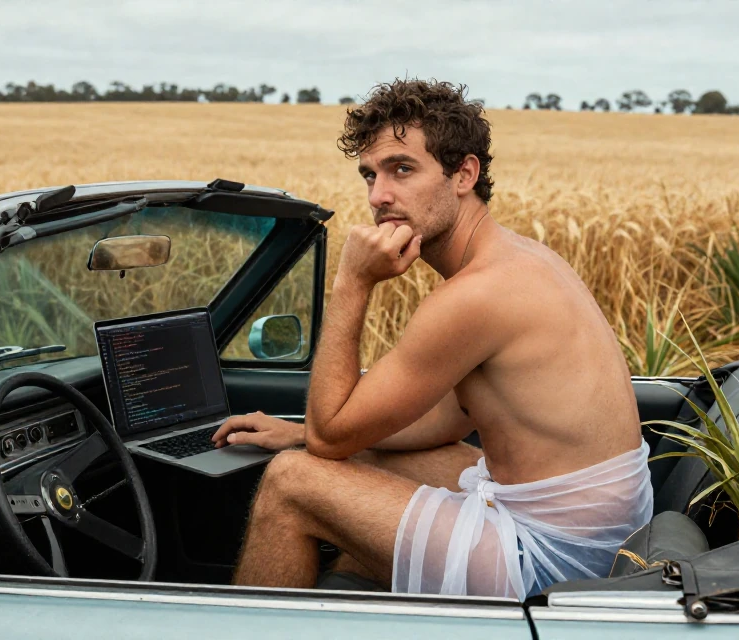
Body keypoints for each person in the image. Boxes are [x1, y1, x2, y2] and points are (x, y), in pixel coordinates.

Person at [212, 79, 651, 600]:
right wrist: (298, 432)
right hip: (605, 533)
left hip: (556, 558)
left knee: (291, 482)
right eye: (370, 174)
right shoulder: (522, 259)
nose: (378, 196)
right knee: (366, 461)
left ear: (464, 174)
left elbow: (331, 437)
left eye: (401, 169)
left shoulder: (475, 295)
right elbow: (446, 419)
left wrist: (351, 283)